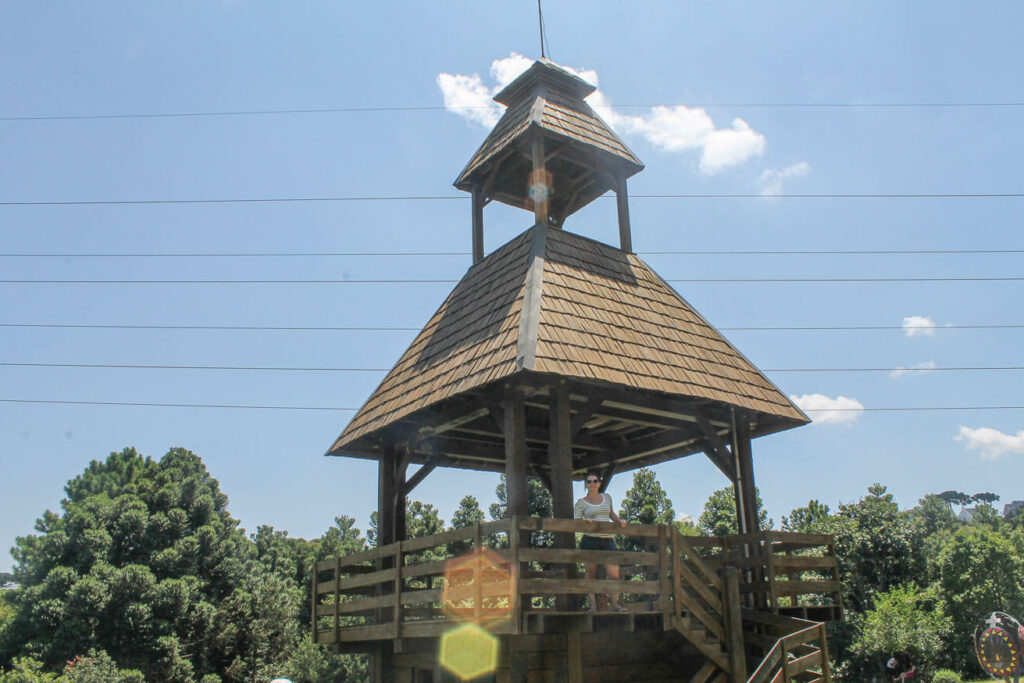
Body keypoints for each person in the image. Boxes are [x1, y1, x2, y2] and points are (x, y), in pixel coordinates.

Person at [574, 472, 628, 612]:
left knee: (614, 574)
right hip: (589, 540)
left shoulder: (607, 497)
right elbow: (577, 521)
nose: (592, 484)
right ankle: (593, 606)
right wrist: (585, 522)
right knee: (590, 573)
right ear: (586, 484)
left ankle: (615, 604)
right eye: (589, 481)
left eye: (595, 481)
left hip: (607, 539)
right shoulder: (581, 502)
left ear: (599, 483)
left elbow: (611, 513)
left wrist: (619, 521)